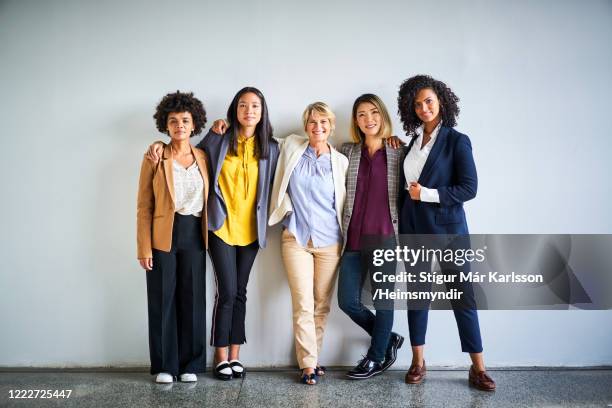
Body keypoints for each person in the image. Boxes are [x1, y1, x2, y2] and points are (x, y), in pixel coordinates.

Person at [147, 87, 279, 380]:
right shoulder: (217, 139)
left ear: (262, 111)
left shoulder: (271, 147)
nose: (249, 111)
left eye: (255, 106)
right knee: (226, 292)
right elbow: (181, 147)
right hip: (218, 227)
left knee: (239, 293)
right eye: (243, 105)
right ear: (234, 110)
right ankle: (217, 357)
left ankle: (234, 356)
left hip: (250, 231)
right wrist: (158, 143)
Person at [397, 75, 496, 391]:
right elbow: (404, 187)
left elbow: (469, 188)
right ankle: (418, 361)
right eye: (417, 103)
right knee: (418, 297)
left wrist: (426, 194)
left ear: (441, 101)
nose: (424, 107)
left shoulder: (457, 140)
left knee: (463, 298)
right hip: (414, 232)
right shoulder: (411, 144)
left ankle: (478, 368)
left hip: (450, 233)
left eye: (428, 101)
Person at [268, 102, 348, 385]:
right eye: (313, 122)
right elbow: (261, 137)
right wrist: (224, 127)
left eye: (324, 122)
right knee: (302, 303)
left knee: (321, 306)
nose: (318, 128)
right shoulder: (292, 146)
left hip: (330, 242)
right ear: (306, 126)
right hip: (296, 238)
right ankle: (308, 365)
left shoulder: (341, 161)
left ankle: (312, 356)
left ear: (331, 126)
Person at [137, 91, 209, 384]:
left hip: (195, 233)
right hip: (162, 235)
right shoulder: (155, 155)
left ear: (194, 125)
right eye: (173, 121)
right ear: (165, 126)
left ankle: (190, 363)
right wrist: (144, 246)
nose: (180, 125)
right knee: (162, 299)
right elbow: (144, 206)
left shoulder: (204, 156)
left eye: (185, 120)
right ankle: (165, 365)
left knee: (193, 299)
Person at [336, 94, 405, 380]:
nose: (369, 119)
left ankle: (377, 358)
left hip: (384, 237)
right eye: (362, 114)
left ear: (383, 115)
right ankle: (387, 338)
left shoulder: (397, 151)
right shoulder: (346, 151)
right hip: (352, 239)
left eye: (374, 112)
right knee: (347, 301)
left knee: (383, 301)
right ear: (356, 121)